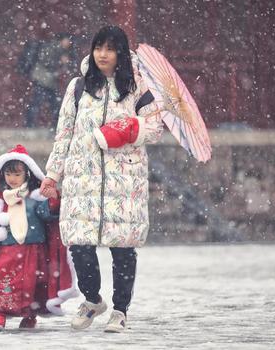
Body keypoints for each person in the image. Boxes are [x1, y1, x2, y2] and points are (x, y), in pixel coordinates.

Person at [40, 25, 164, 333]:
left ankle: (120, 310)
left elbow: (156, 127)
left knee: (122, 248)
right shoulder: (78, 87)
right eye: (98, 48)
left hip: (124, 181)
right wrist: (53, 175)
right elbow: (64, 133)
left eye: (110, 49)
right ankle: (92, 299)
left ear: (121, 52)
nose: (103, 55)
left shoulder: (137, 87)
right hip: (83, 181)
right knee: (79, 245)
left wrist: (127, 130)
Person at [0, 144, 77, 331]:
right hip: (6, 250)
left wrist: (53, 200)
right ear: (2, 175)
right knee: (1, 281)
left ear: (27, 174)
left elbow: (48, 215)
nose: (13, 179)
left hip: (34, 250)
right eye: (9, 174)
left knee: (31, 284)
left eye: (17, 174)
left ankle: (29, 315)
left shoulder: (35, 197)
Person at [24, 33, 77, 128]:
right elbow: (45, 60)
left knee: (52, 103)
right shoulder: (53, 47)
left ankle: (54, 124)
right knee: (38, 101)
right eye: (67, 41)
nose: (68, 43)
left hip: (48, 80)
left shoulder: (63, 51)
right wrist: (60, 61)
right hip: (42, 78)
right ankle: (30, 123)